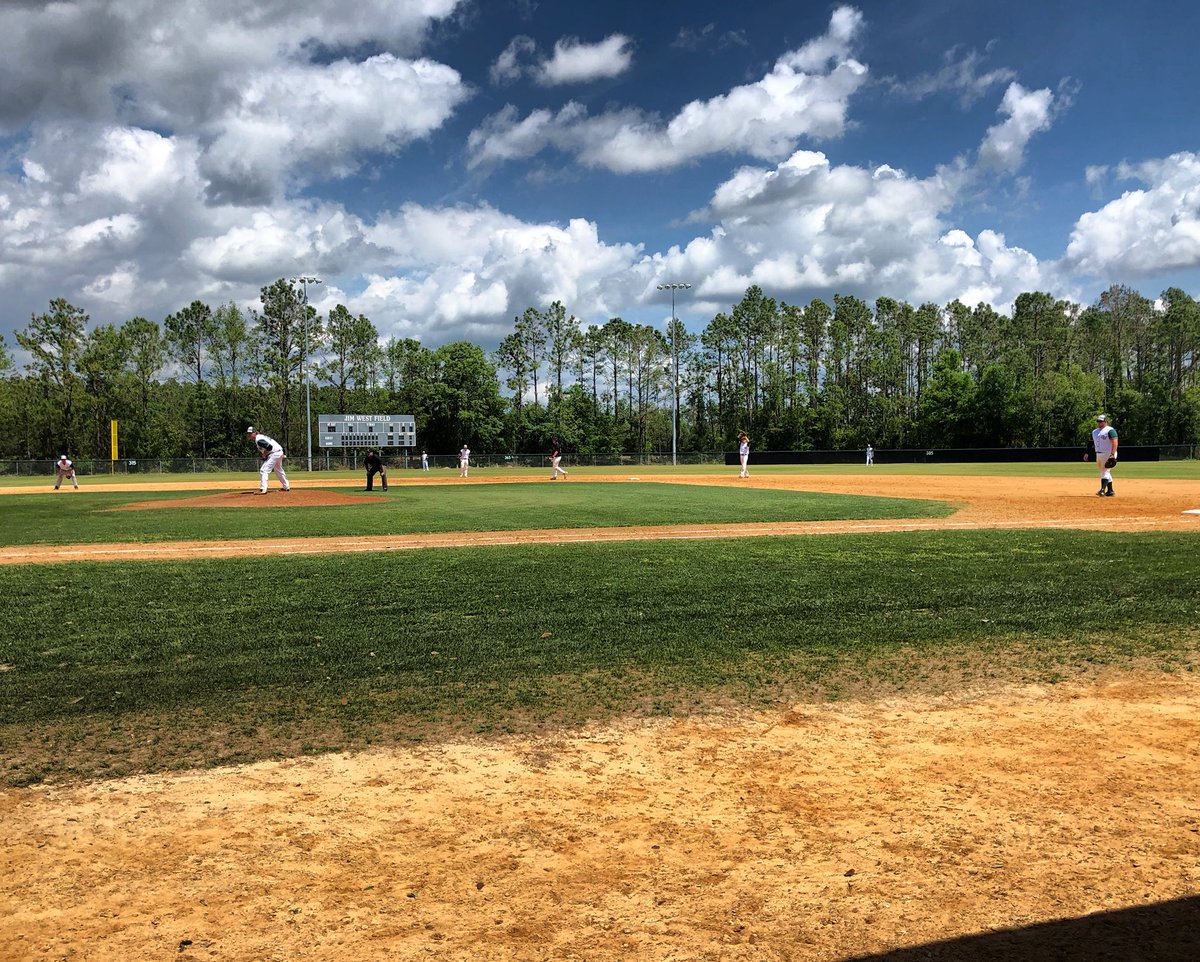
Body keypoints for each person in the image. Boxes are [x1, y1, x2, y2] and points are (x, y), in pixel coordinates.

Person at [246, 426, 290, 494]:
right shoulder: (261, 437)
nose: (249, 435)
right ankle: (286, 487)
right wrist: (281, 454)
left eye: (251, 433)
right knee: (278, 470)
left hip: (274, 453)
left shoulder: (258, 439)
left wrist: (265, 454)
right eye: (248, 433)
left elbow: (269, 447)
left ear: (255, 433)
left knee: (264, 470)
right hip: (278, 452)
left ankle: (263, 489)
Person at [1086, 414, 1119, 497]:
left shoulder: (1110, 430)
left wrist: (1112, 454)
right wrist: (1087, 453)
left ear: (1105, 421)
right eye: (1098, 421)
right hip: (1098, 454)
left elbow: (1115, 442)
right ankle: (1110, 491)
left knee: (1105, 471)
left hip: (1108, 453)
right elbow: (1090, 443)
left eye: (1101, 421)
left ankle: (1102, 490)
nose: (1099, 423)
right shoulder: (1094, 432)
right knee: (1103, 471)